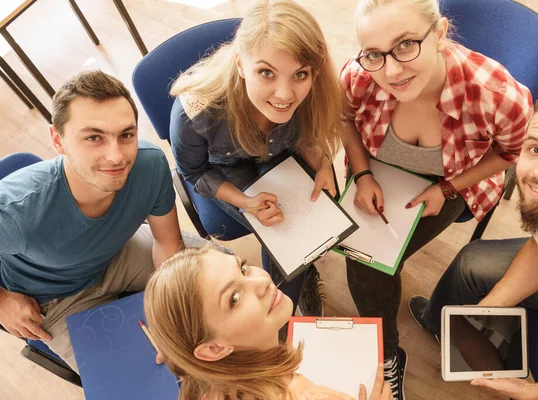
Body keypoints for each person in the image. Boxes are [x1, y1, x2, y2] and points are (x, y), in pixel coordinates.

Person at [339, 0, 533, 396]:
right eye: (375, 54)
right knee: (364, 258)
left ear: (441, 32)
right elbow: (342, 119)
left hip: (453, 179)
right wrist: (361, 174)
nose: (391, 71)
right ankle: (385, 350)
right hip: (373, 171)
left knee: (369, 267)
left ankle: (386, 356)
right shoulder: (358, 76)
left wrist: (447, 188)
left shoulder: (499, 96)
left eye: (407, 44)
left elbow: (509, 154)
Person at [0, 70, 206, 373]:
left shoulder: (148, 164)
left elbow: (167, 244)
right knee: (139, 383)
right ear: (58, 140)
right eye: (94, 138)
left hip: (116, 253)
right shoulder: (15, 208)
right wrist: (2, 301)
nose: (116, 156)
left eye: (126, 135)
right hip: (51, 301)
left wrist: (175, 317)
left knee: (221, 275)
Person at [410, 85, 538, 399]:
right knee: (472, 262)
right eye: (535, 148)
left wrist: (535, 394)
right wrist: (485, 313)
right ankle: (439, 324)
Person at [169, 0, 344, 315]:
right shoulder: (194, 111)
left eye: (300, 75)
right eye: (266, 73)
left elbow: (308, 134)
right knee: (284, 236)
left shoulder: (314, 90)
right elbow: (195, 173)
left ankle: (295, 280)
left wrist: (324, 164)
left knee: (310, 225)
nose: (284, 94)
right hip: (224, 168)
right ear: (240, 64)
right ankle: (284, 308)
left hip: (282, 153)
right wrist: (244, 202)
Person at [144, 246, 393, 400]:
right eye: (234, 298)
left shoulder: (203, 377)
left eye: (242, 268)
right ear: (214, 349)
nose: (262, 282)